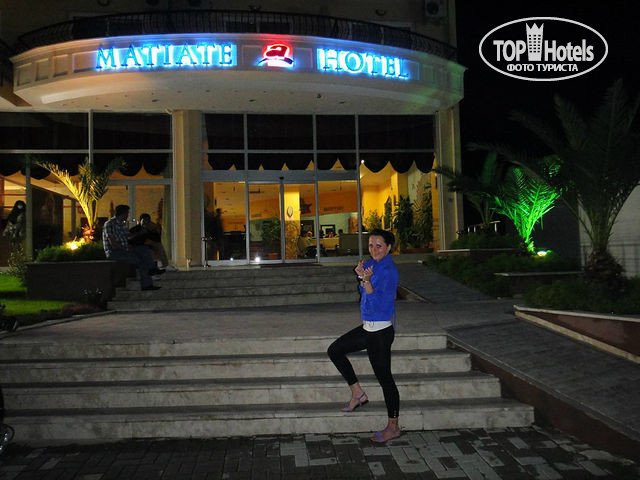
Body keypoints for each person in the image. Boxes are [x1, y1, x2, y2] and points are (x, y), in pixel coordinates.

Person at [327, 228, 400, 443]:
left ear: (388, 247)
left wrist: (367, 282)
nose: (374, 249)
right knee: (335, 350)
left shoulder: (389, 271)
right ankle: (358, 393)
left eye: (379, 246)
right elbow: (363, 295)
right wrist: (362, 277)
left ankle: (393, 427)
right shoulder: (372, 265)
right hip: (368, 328)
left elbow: (379, 304)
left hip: (380, 332)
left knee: (385, 379)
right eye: (371, 245)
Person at [102, 205, 162, 291]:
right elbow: (113, 243)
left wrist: (140, 233)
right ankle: (147, 284)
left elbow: (128, 236)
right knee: (140, 261)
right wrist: (126, 248)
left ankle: (152, 269)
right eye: (127, 213)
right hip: (115, 252)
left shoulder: (122, 224)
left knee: (144, 249)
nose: (128, 215)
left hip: (125, 249)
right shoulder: (109, 224)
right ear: (123, 213)